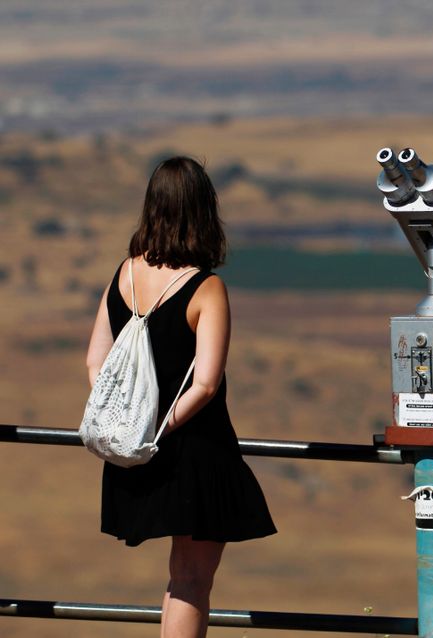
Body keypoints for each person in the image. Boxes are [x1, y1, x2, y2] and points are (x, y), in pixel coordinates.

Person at [85, 156, 276, 638]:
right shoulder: (205, 288)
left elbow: (96, 362)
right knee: (192, 580)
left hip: (136, 452)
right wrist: (158, 430)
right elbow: (206, 385)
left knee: (178, 580)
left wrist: (129, 427)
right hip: (193, 450)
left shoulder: (123, 275)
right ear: (204, 212)